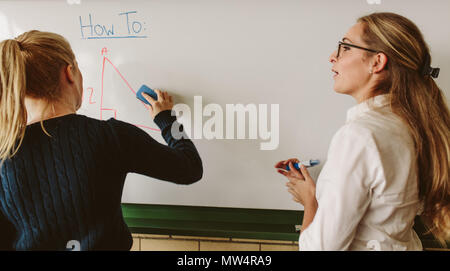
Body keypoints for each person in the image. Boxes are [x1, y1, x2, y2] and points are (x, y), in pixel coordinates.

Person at [0, 30, 203, 250]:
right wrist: (166, 119)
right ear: (70, 73)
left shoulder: (4, 154)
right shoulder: (109, 137)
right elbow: (189, 167)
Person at [275, 12, 449, 250]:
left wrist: (310, 202)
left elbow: (321, 247)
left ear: (376, 62)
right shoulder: (410, 125)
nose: (332, 57)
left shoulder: (359, 135)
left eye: (345, 47)